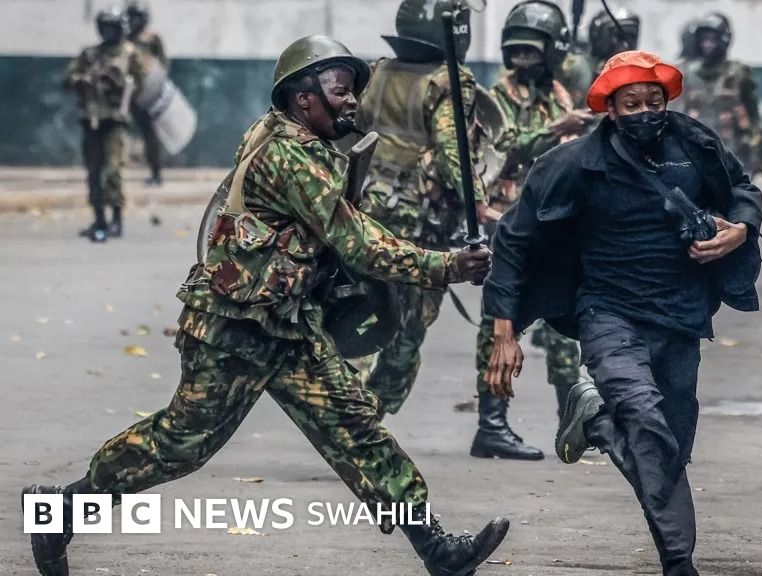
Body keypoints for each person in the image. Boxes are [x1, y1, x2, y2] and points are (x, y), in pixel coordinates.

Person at [24, 35, 508, 576]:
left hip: (288, 324)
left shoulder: (294, 139)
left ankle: (436, 549)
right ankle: (60, 510)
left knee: (356, 430)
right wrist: (447, 265)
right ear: (304, 99)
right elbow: (357, 242)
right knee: (181, 444)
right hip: (233, 330)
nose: (352, 101)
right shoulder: (288, 155)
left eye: (353, 92)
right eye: (341, 92)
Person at [483, 51, 762, 575]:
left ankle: (598, 424)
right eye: (631, 104)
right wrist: (504, 331)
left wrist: (739, 230)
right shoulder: (572, 164)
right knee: (646, 425)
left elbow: (743, 188)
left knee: (669, 451)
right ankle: (679, 563)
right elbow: (514, 240)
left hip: (682, 317)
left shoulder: (695, 145)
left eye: (654, 101)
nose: (645, 112)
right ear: (610, 109)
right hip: (608, 314)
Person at [355, 0, 500, 416]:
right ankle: (366, 416)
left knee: (363, 311)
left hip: (367, 208)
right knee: (407, 329)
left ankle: (350, 405)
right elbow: (455, 153)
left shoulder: (379, 72)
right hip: (418, 222)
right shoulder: (448, 80)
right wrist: (479, 204)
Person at [469, 0, 592, 460]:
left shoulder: (558, 93)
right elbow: (502, 149)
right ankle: (491, 426)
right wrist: (558, 129)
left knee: (563, 328)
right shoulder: (498, 97)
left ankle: (573, 423)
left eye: (533, 51)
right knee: (500, 323)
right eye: (517, 51)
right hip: (510, 222)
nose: (524, 60)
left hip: (553, 224)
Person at [64, 6, 143, 242]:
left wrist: (118, 83)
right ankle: (99, 218)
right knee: (93, 171)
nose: (109, 33)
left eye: (113, 28)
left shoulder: (129, 54)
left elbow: (139, 84)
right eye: (105, 28)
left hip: (114, 120)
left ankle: (116, 219)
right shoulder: (89, 54)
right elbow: (69, 78)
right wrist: (83, 80)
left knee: (113, 171)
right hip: (91, 118)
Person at [670, 13, 762, 173]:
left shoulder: (739, 73)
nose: (708, 44)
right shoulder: (687, 74)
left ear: (723, 40)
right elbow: (677, 112)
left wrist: (755, 147)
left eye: (713, 39)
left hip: (732, 149)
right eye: (704, 39)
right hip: (696, 148)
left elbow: (752, 115)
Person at [558, 5, 640, 108]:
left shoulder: (635, 74)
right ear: (600, 36)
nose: (625, 45)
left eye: (630, 38)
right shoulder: (580, 67)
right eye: (619, 37)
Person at [125, 0, 168, 186]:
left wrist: (155, 84)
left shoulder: (152, 39)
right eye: (131, 18)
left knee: (151, 135)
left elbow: (163, 64)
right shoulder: (125, 40)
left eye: (137, 18)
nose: (134, 22)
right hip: (129, 94)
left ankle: (156, 173)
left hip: (149, 94)